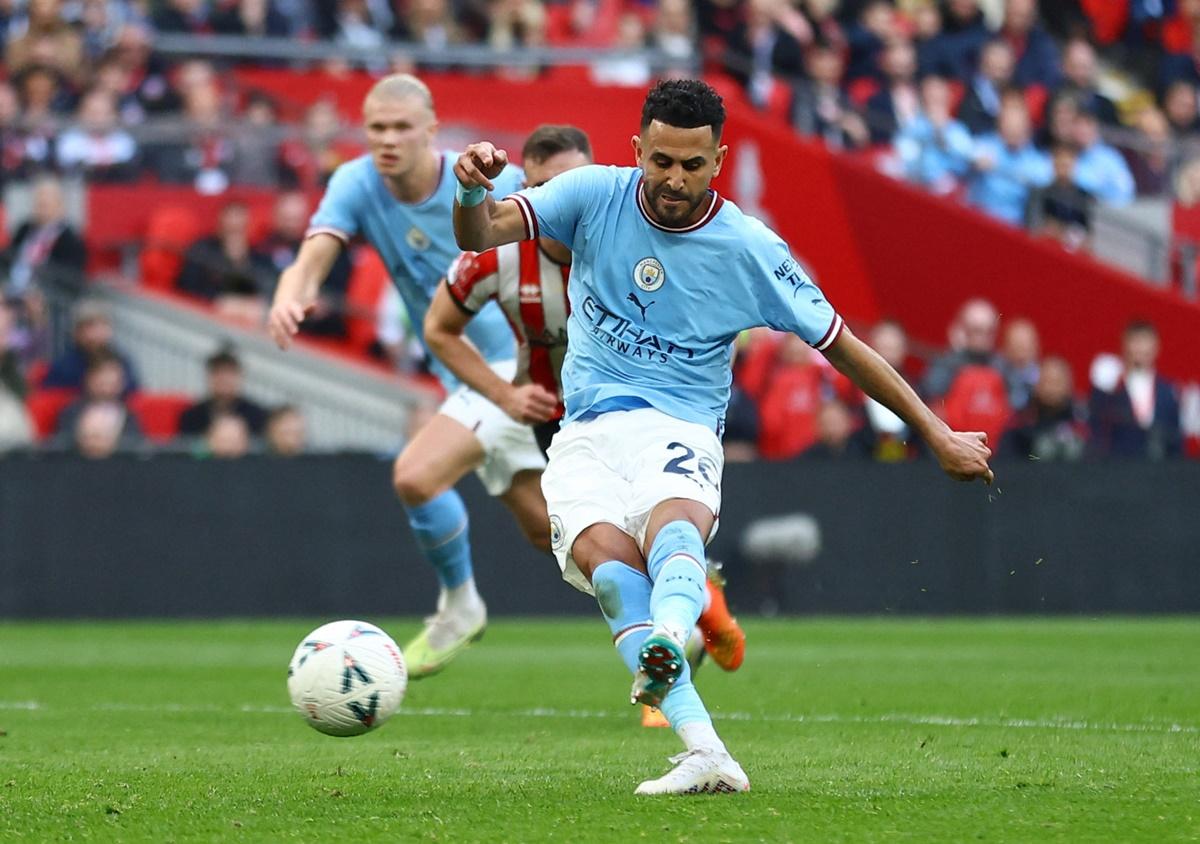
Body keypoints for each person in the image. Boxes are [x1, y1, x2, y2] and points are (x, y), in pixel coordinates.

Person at [453, 78, 993, 794]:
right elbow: (484, 232)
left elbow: (843, 343)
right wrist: (467, 190)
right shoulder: (589, 194)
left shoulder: (747, 248)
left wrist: (934, 431)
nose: (675, 180)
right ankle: (706, 752)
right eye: (662, 161)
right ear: (638, 148)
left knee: (674, 535)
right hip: (583, 433)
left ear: (720, 160)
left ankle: (671, 638)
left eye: (693, 165)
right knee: (613, 580)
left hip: (679, 425)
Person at [424, 124, 746, 727]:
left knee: (637, 543)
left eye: (567, 184)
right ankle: (697, 601)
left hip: (646, 421)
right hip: (550, 418)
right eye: (540, 186)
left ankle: (672, 667)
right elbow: (439, 326)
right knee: (574, 548)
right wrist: (502, 393)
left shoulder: (637, 241)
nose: (554, 200)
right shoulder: (501, 256)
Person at [267, 74, 549, 679]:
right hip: (466, 376)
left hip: (520, 366)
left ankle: (460, 609)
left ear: (431, 130)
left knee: (417, 475)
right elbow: (312, 257)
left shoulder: (481, 179)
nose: (388, 140)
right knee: (551, 531)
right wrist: (290, 296)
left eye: (401, 127)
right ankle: (678, 588)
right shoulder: (356, 183)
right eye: (376, 128)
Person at [1088, 320, 1182, 459]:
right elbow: (1096, 431)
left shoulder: (1168, 391)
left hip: (1160, 471)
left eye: (1146, 342)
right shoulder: (1110, 385)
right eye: (1136, 342)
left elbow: (1176, 439)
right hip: (1117, 468)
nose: (1141, 349)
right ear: (1125, 345)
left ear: (1156, 347)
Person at [178, 346, 269, 438]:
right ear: (208, 377)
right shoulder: (191, 416)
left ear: (240, 377)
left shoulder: (258, 415)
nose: (223, 379)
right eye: (217, 373)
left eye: (229, 373)